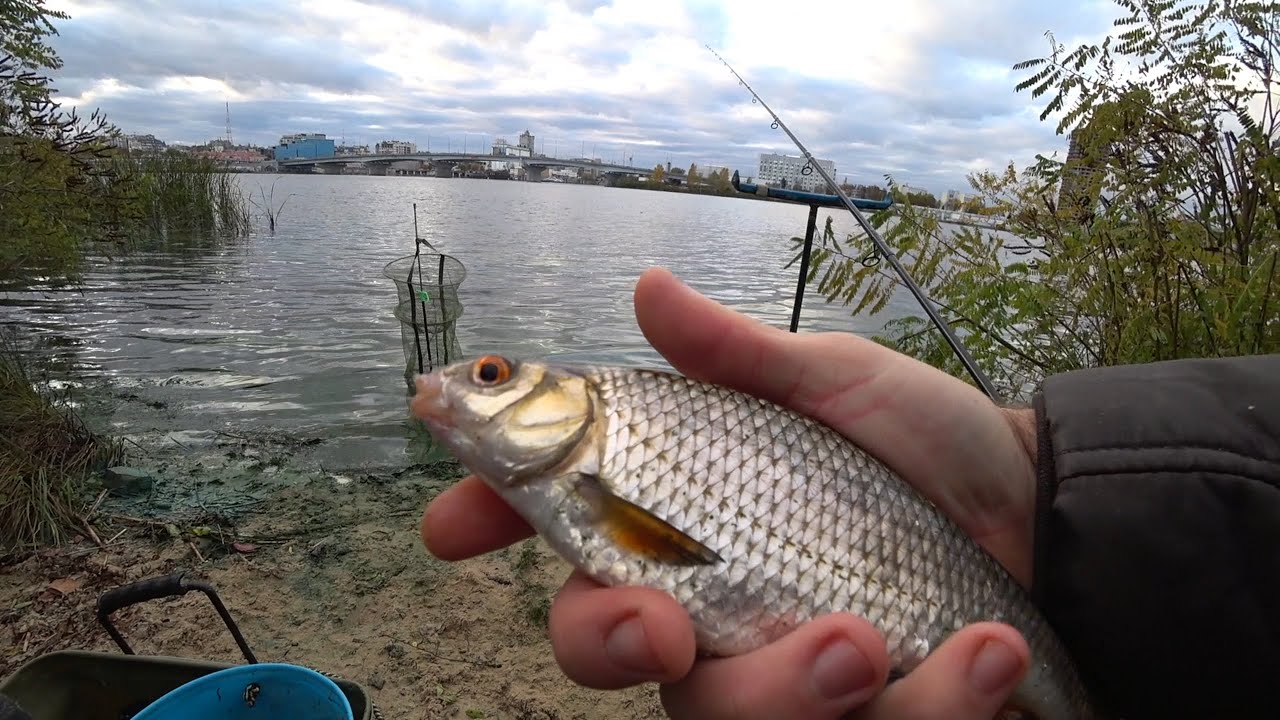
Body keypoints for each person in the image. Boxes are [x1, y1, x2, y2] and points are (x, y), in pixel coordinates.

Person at [417, 267, 1280, 720]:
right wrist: (1045, 474)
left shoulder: (609, 433)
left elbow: (651, 548)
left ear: (567, 402)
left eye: (491, 376)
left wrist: (1039, 484)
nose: (460, 385)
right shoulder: (576, 471)